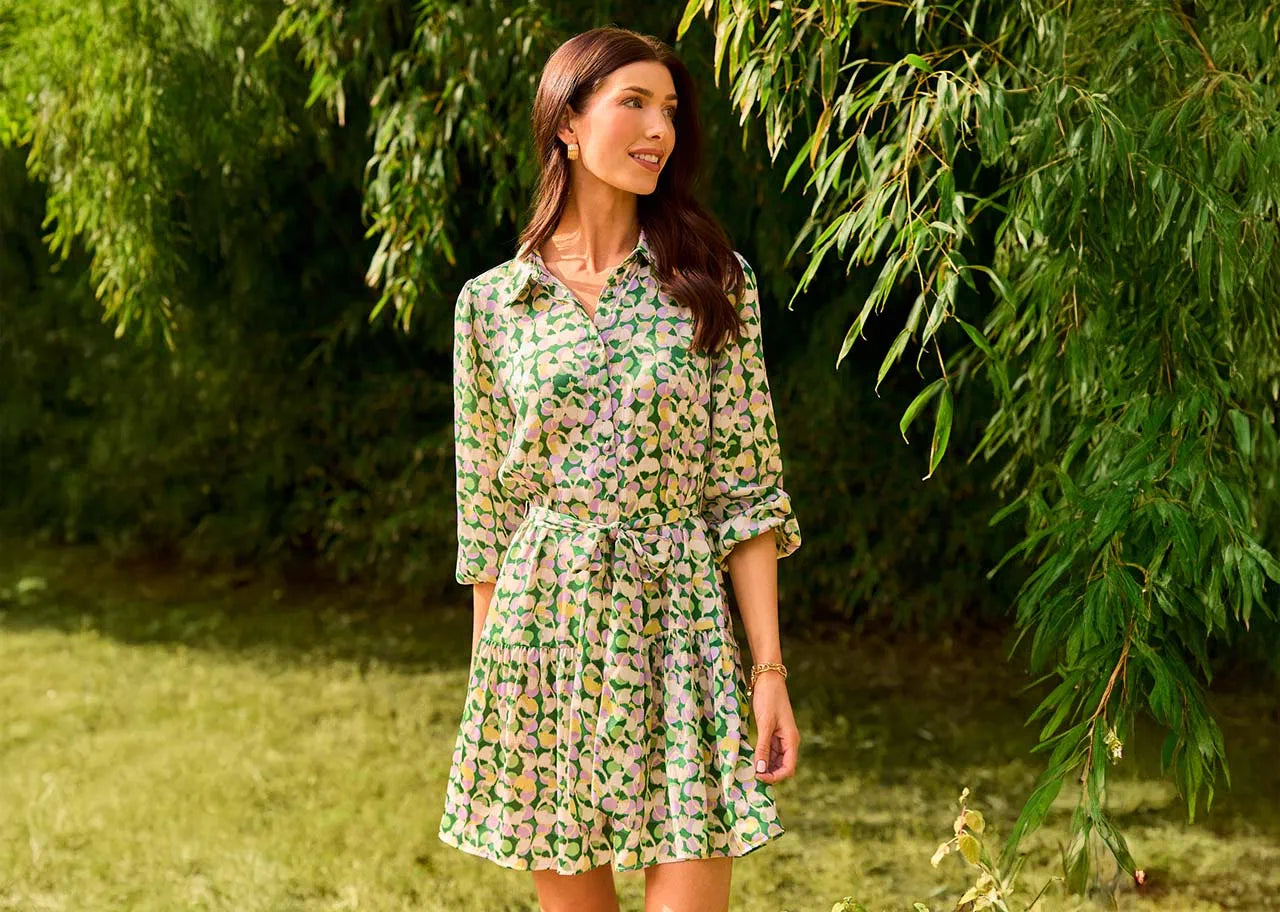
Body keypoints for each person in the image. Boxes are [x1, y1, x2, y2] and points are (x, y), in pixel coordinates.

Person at [437, 26, 803, 912]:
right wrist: (494, 692)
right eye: (633, 103)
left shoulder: (713, 281)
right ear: (567, 123)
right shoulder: (493, 305)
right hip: (543, 638)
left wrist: (769, 673)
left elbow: (747, 490)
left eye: (669, 110)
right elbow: (487, 524)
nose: (659, 130)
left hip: (680, 631)